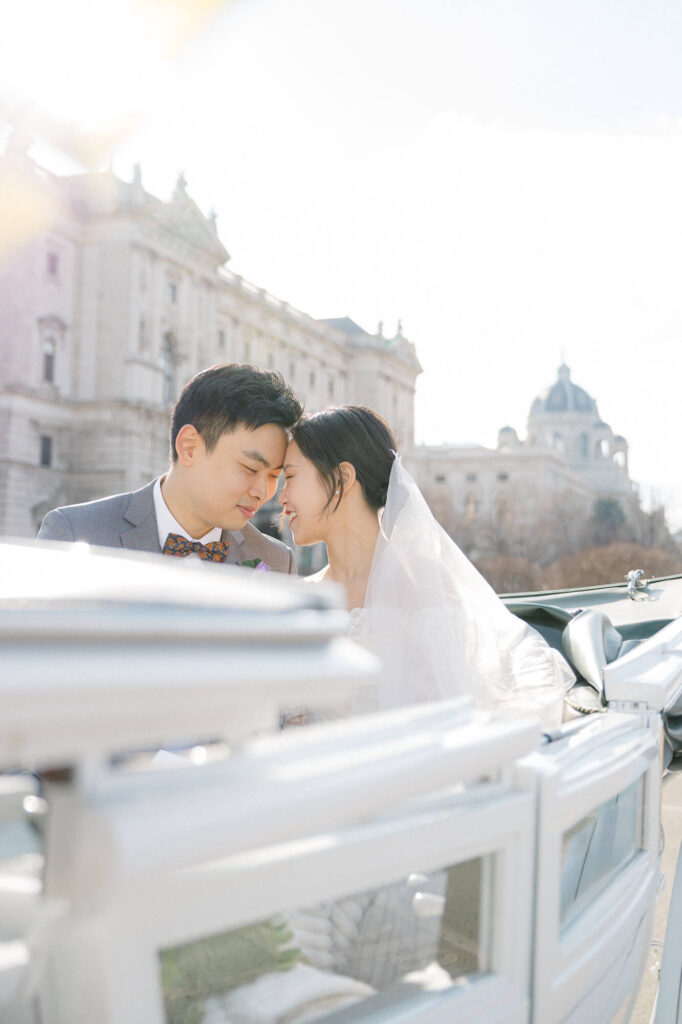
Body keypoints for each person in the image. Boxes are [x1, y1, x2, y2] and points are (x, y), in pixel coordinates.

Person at [280, 405, 574, 724]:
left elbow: (447, 715)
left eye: (290, 477)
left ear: (342, 478)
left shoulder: (421, 585)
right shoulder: (298, 596)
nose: (282, 497)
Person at [38, 363, 302, 573]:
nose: (264, 492)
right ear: (189, 447)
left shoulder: (276, 561)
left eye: (274, 475)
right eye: (250, 468)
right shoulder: (74, 532)